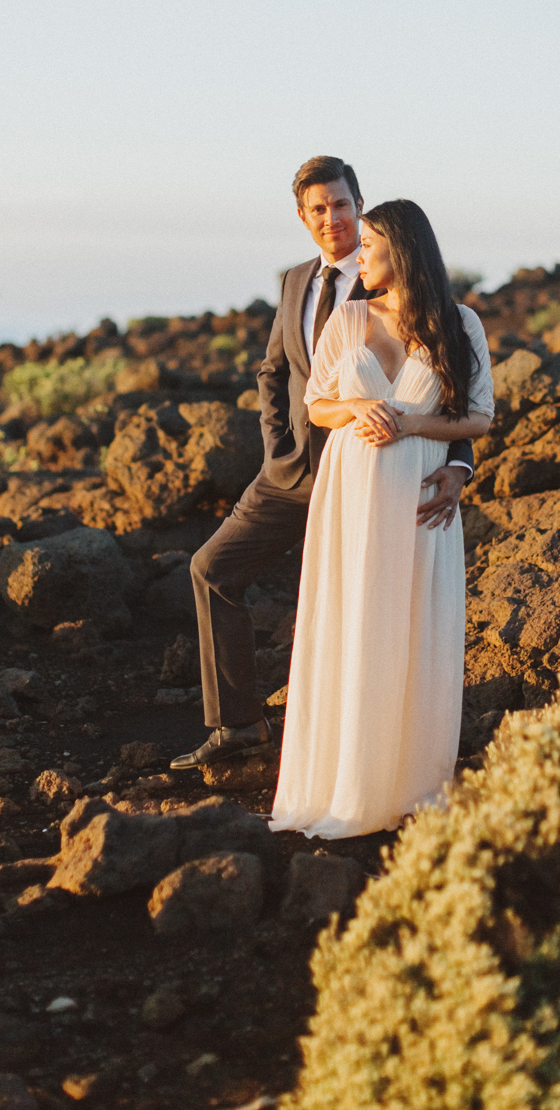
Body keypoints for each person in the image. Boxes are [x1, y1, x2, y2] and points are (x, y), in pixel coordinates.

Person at [170, 158, 475, 772]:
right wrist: (276, 444)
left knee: (371, 610)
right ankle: (239, 727)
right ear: (303, 218)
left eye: (341, 205)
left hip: (377, 476)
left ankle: (373, 753)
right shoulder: (295, 282)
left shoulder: (390, 269)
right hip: (289, 475)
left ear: (360, 205)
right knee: (212, 569)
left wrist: (459, 466)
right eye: (318, 209)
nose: (332, 219)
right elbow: (275, 370)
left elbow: (451, 386)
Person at [268, 198, 493, 837]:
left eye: (368, 244)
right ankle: (345, 783)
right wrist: (359, 408)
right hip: (351, 496)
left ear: (403, 250)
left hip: (421, 499)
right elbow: (316, 407)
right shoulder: (349, 317)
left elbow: (478, 416)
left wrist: (415, 427)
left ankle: (409, 784)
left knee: (416, 627)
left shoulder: (461, 324)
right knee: (354, 622)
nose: (357, 255)